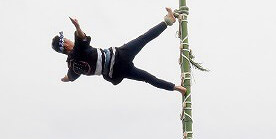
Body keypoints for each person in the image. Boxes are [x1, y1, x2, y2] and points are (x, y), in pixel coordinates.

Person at [52, 12, 186, 94]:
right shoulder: (77, 50)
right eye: (68, 40)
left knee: (147, 78)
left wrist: (64, 78)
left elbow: (69, 78)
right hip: (119, 57)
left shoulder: (72, 66)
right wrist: (77, 27)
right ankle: (168, 21)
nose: (71, 40)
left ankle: (176, 88)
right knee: (143, 39)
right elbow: (81, 37)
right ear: (65, 44)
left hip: (116, 73)